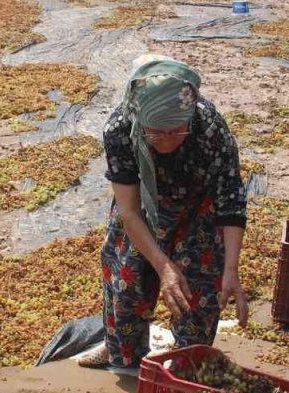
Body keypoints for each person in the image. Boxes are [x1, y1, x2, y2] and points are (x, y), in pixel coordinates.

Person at [79, 55, 250, 371]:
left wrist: (231, 269)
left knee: (198, 294)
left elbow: (231, 202)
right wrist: (163, 266)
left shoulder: (210, 128)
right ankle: (121, 354)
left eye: (176, 131)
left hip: (198, 208)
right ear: (140, 121)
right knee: (127, 285)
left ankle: (186, 367)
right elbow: (129, 211)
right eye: (156, 133)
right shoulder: (120, 128)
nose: (167, 141)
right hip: (143, 206)